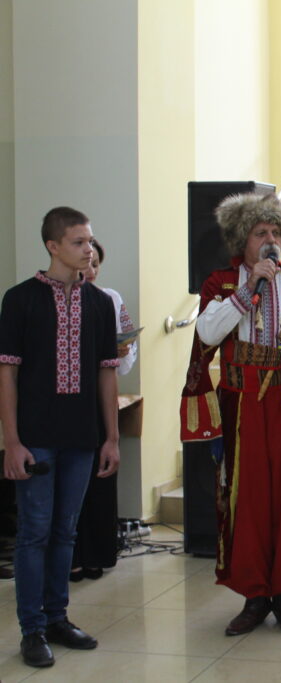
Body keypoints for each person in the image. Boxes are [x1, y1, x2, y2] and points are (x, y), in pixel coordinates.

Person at [179, 193, 281, 637]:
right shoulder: (221, 284)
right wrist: (248, 288)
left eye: (275, 232)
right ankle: (254, 596)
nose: (270, 240)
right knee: (247, 499)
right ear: (243, 240)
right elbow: (207, 332)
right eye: (260, 233)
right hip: (242, 409)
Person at [0, 206, 120, 668]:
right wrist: (12, 442)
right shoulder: (20, 299)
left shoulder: (100, 303)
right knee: (34, 532)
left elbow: (106, 374)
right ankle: (32, 629)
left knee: (66, 531)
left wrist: (111, 438)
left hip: (82, 437)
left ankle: (57, 618)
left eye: (89, 240)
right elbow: (7, 374)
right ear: (53, 246)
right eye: (78, 242)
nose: (88, 249)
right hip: (35, 437)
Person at [70, 238, 138, 582]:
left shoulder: (109, 299)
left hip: (100, 399)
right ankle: (72, 557)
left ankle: (97, 554)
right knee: (70, 482)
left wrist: (123, 351)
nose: (91, 270)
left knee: (99, 476)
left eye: (96, 264)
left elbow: (125, 357)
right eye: (86, 262)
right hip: (67, 402)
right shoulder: (54, 299)